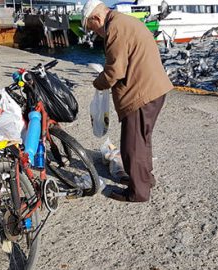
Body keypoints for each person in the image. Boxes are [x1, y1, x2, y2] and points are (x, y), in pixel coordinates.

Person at [82, 0, 173, 202]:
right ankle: (145, 179)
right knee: (142, 140)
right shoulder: (123, 21)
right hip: (154, 89)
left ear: (97, 18)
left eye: (93, 28)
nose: (96, 33)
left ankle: (138, 192)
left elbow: (115, 70)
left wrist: (98, 83)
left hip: (141, 93)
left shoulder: (115, 27)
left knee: (131, 146)